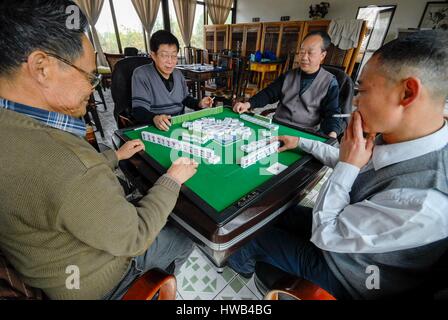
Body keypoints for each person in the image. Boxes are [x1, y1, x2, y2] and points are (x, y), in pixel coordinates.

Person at [228, 30, 448, 299]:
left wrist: (345, 166)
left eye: (362, 90)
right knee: (270, 213)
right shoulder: (402, 136)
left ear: (407, 93)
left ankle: (241, 271)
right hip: (344, 231)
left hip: (351, 274)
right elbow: (361, 162)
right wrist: (302, 143)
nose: (355, 101)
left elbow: (326, 235)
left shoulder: (424, 201)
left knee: (249, 239)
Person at [0, 0, 197, 300]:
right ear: (43, 68)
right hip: (99, 282)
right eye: (90, 76)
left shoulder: (15, 125)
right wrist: (172, 178)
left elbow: (69, 187)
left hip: (48, 261)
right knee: (187, 232)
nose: (94, 87)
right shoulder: (70, 165)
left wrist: (114, 156)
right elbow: (135, 237)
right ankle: (156, 286)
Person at [233, 31, 342, 138]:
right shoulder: (288, 75)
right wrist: (247, 104)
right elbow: (268, 93)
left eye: (310, 53)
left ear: (322, 55)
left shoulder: (330, 82)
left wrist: (332, 134)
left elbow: (332, 113)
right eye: (302, 52)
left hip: (304, 134)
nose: (304, 57)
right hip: (278, 127)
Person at [132, 30, 214, 131]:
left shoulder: (178, 74)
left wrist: (199, 104)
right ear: (153, 55)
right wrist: (154, 118)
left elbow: (184, 99)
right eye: (165, 55)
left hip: (178, 126)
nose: (170, 61)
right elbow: (138, 110)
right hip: (155, 127)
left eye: (174, 56)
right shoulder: (141, 74)